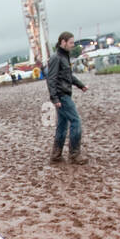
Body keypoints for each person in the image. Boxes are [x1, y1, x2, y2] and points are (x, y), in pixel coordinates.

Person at [47, 31, 89, 164]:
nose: (73, 45)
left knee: (62, 125)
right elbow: (51, 79)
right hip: (62, 96)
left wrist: (80, 85)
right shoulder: (56, 58)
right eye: (71, 42)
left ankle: (56, 154)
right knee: (76, 121)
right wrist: (55, 98)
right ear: (63, 42)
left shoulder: (64, 57)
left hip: (63, 94)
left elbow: (68, 76)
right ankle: (74, 154)